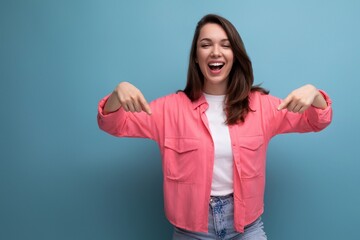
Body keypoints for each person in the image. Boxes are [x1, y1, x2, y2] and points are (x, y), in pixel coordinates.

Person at [97, 14, 332, 240]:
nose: (215, 52)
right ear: (196, 57)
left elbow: (316, 120)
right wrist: (118, 92)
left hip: (246, 228)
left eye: (225, 45)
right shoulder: (169, 110)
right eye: (206, 44)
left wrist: (314, 93)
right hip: (191, 231)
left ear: (235, 55)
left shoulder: (262, 107)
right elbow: (114, 124)